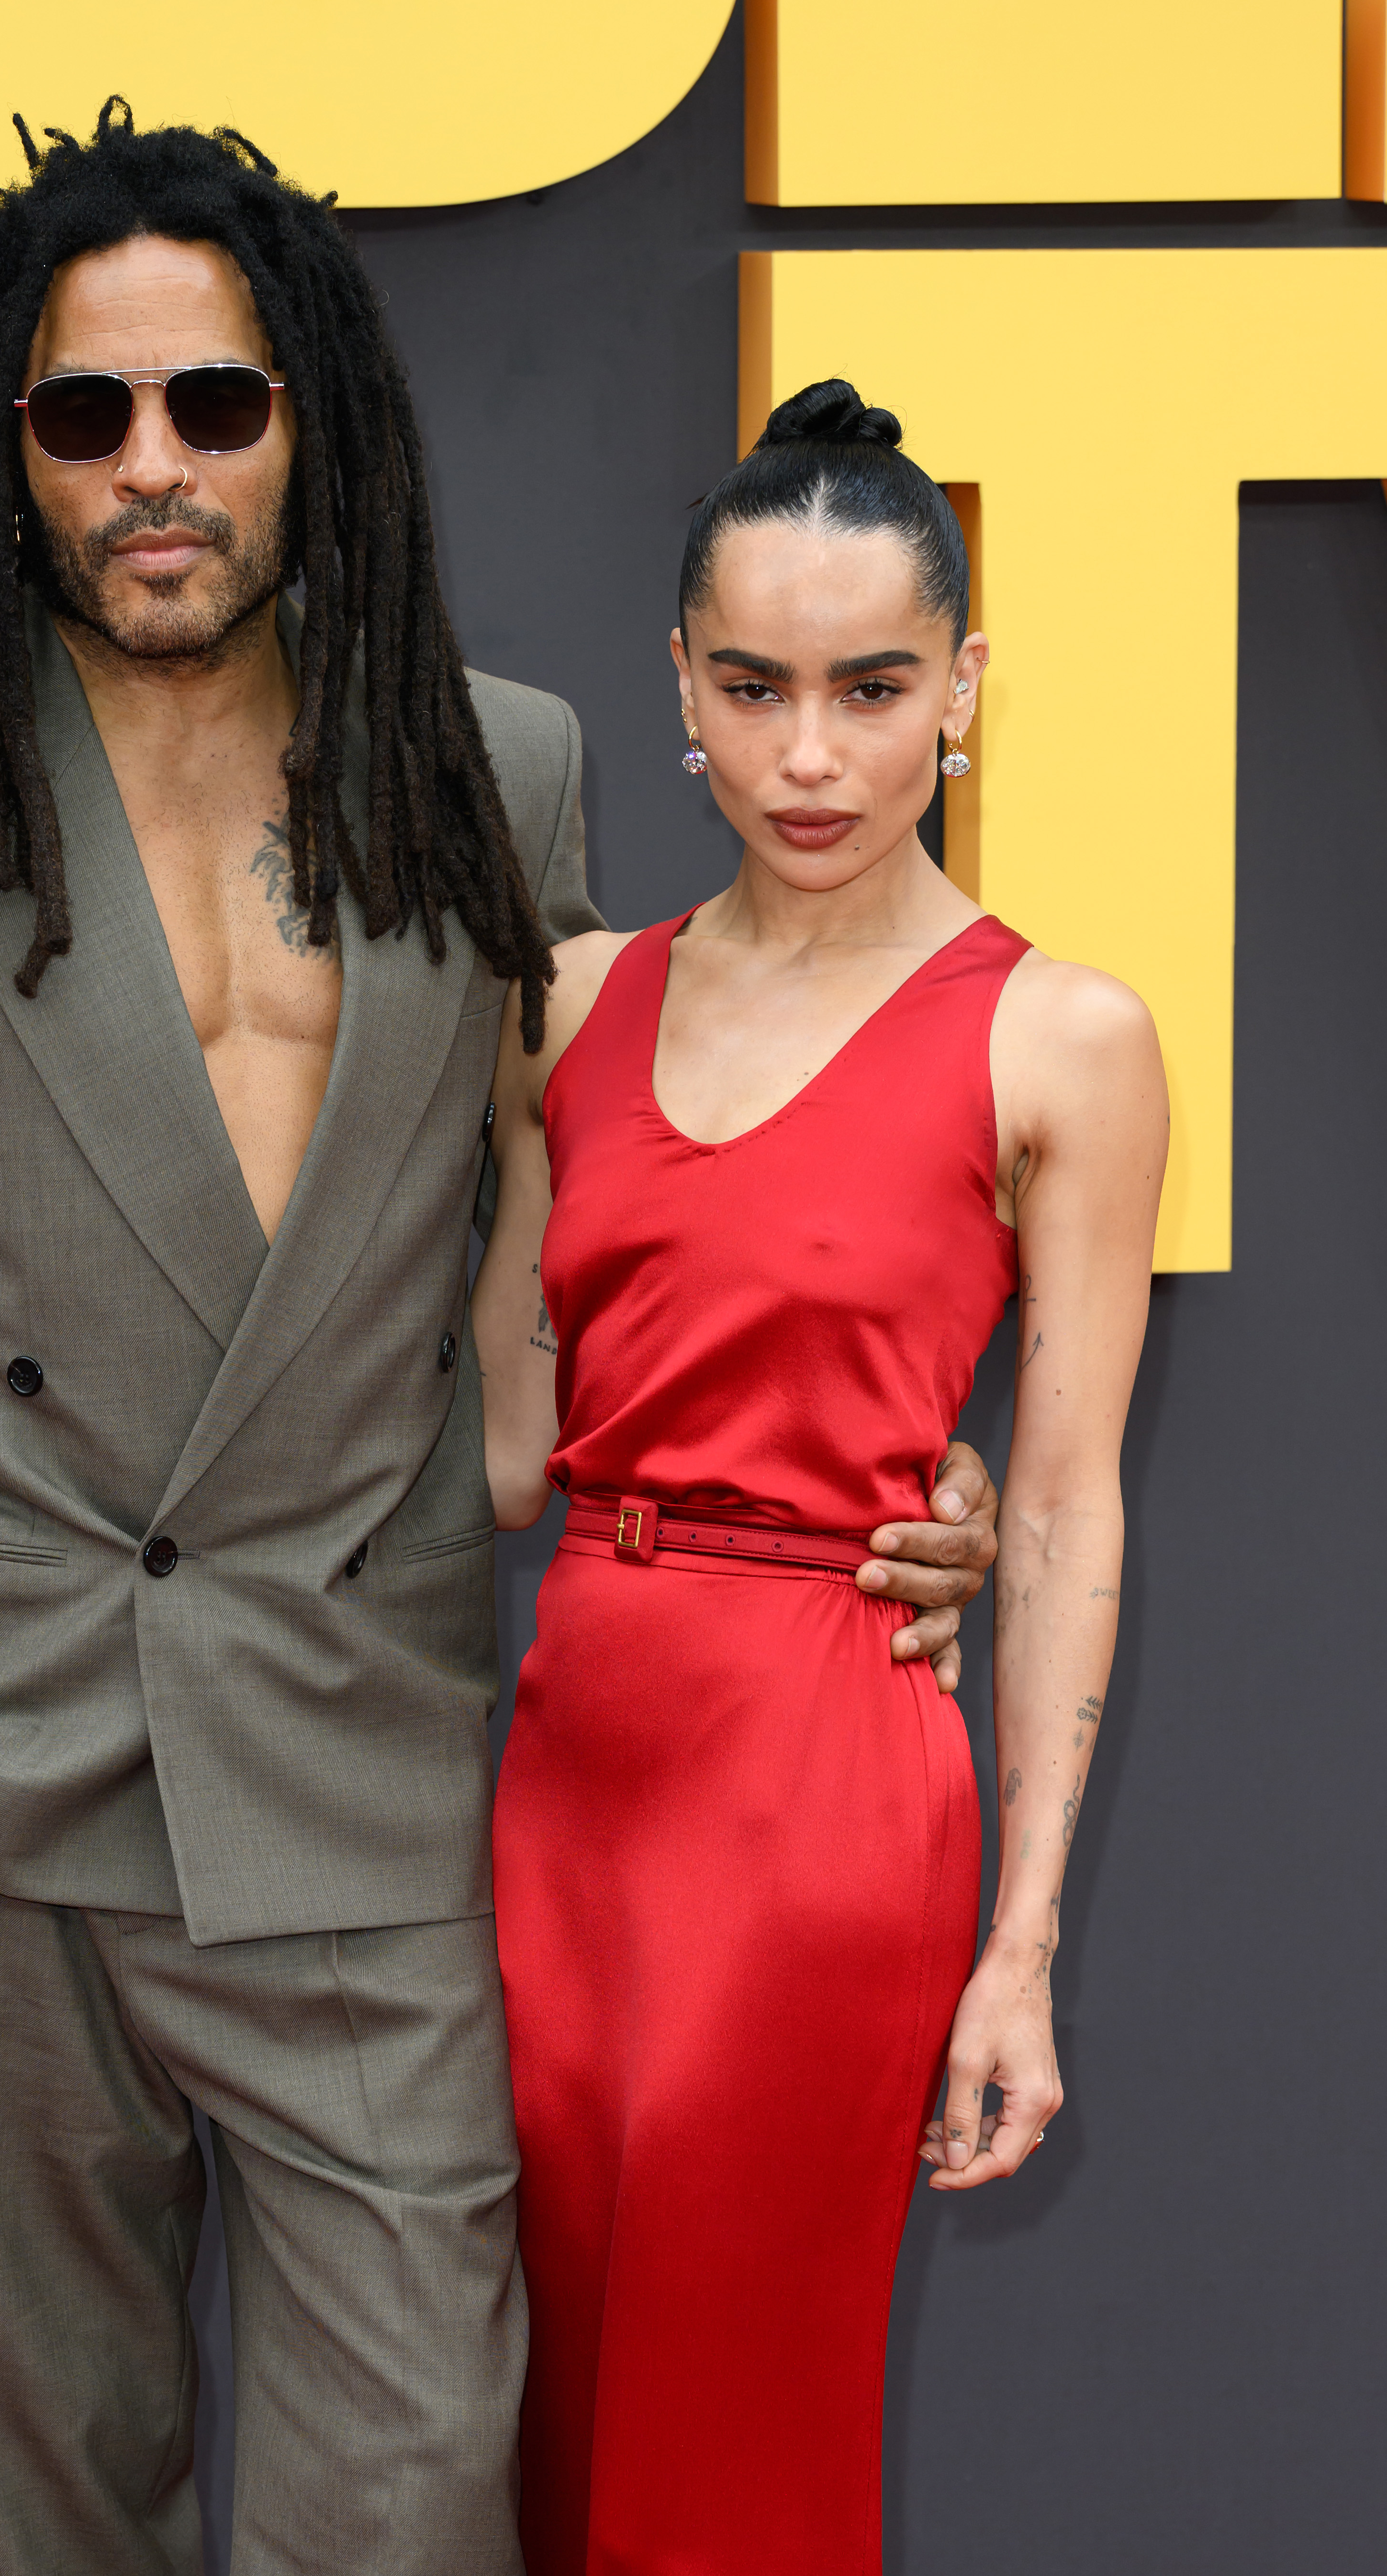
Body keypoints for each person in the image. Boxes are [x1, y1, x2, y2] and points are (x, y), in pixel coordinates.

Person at [0, 101, 999, 2576]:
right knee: (22, 2526)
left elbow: (617, 1227)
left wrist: (897, 1480)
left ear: (313, 422)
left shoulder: (495, 775)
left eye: (213, 404)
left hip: (354, 1769)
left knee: (407, 2501)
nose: (151, 468)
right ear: (10, 452)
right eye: (85, 415)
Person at [474, 379, 1167, 2575]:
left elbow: (1059, 1501)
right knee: (523, 2425)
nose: (806, 757)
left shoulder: (1058, 1033)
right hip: (561, 1775)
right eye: (754, 686)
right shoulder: (570, 1000)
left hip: (822, 1793)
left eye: (871, 689)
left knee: (724, 2442)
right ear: (673, 681)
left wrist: (1022, 1948)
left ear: (964, 685)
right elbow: (498, 1450)